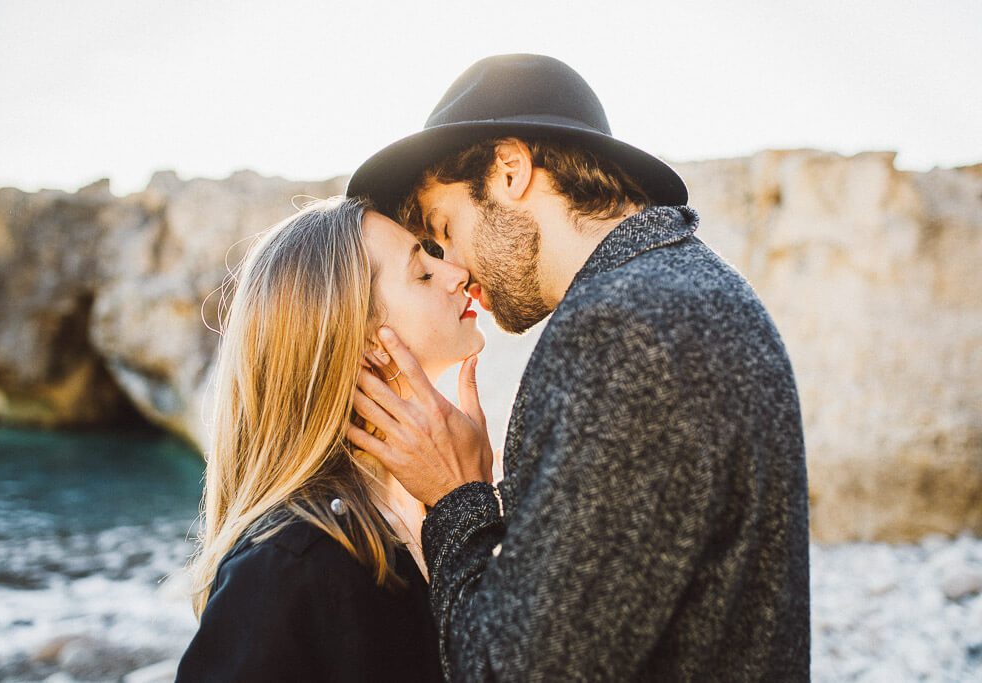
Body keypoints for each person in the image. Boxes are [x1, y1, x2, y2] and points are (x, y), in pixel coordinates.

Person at [346, 54, 811, 680]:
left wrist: (456, 497)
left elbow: (516, 672)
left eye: (444, 228)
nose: (453, 266)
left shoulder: (627, 328)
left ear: (510, 171)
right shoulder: (685, 289)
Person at [176, 196, 485, 682]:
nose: (457, 274)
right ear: (362, 340)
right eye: (422, 274)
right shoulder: (291, 562)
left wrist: (464, 504)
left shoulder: (412, 516)